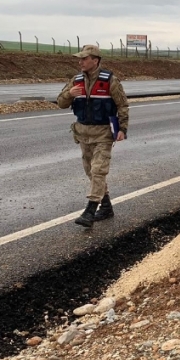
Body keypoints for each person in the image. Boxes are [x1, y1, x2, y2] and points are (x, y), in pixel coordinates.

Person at [57, 45, 129, 228]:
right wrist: (69, 94)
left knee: (98, 170)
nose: (80, 62)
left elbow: (122, 105)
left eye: (84, 58)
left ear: (95, 60)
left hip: (103, 133)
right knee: (90, 171)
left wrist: (122, 129)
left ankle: (90, 210)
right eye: (79, 59)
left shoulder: (110, 80)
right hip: (83, 133)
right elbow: (60, 103)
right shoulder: (76, 80)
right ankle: (106, 207)